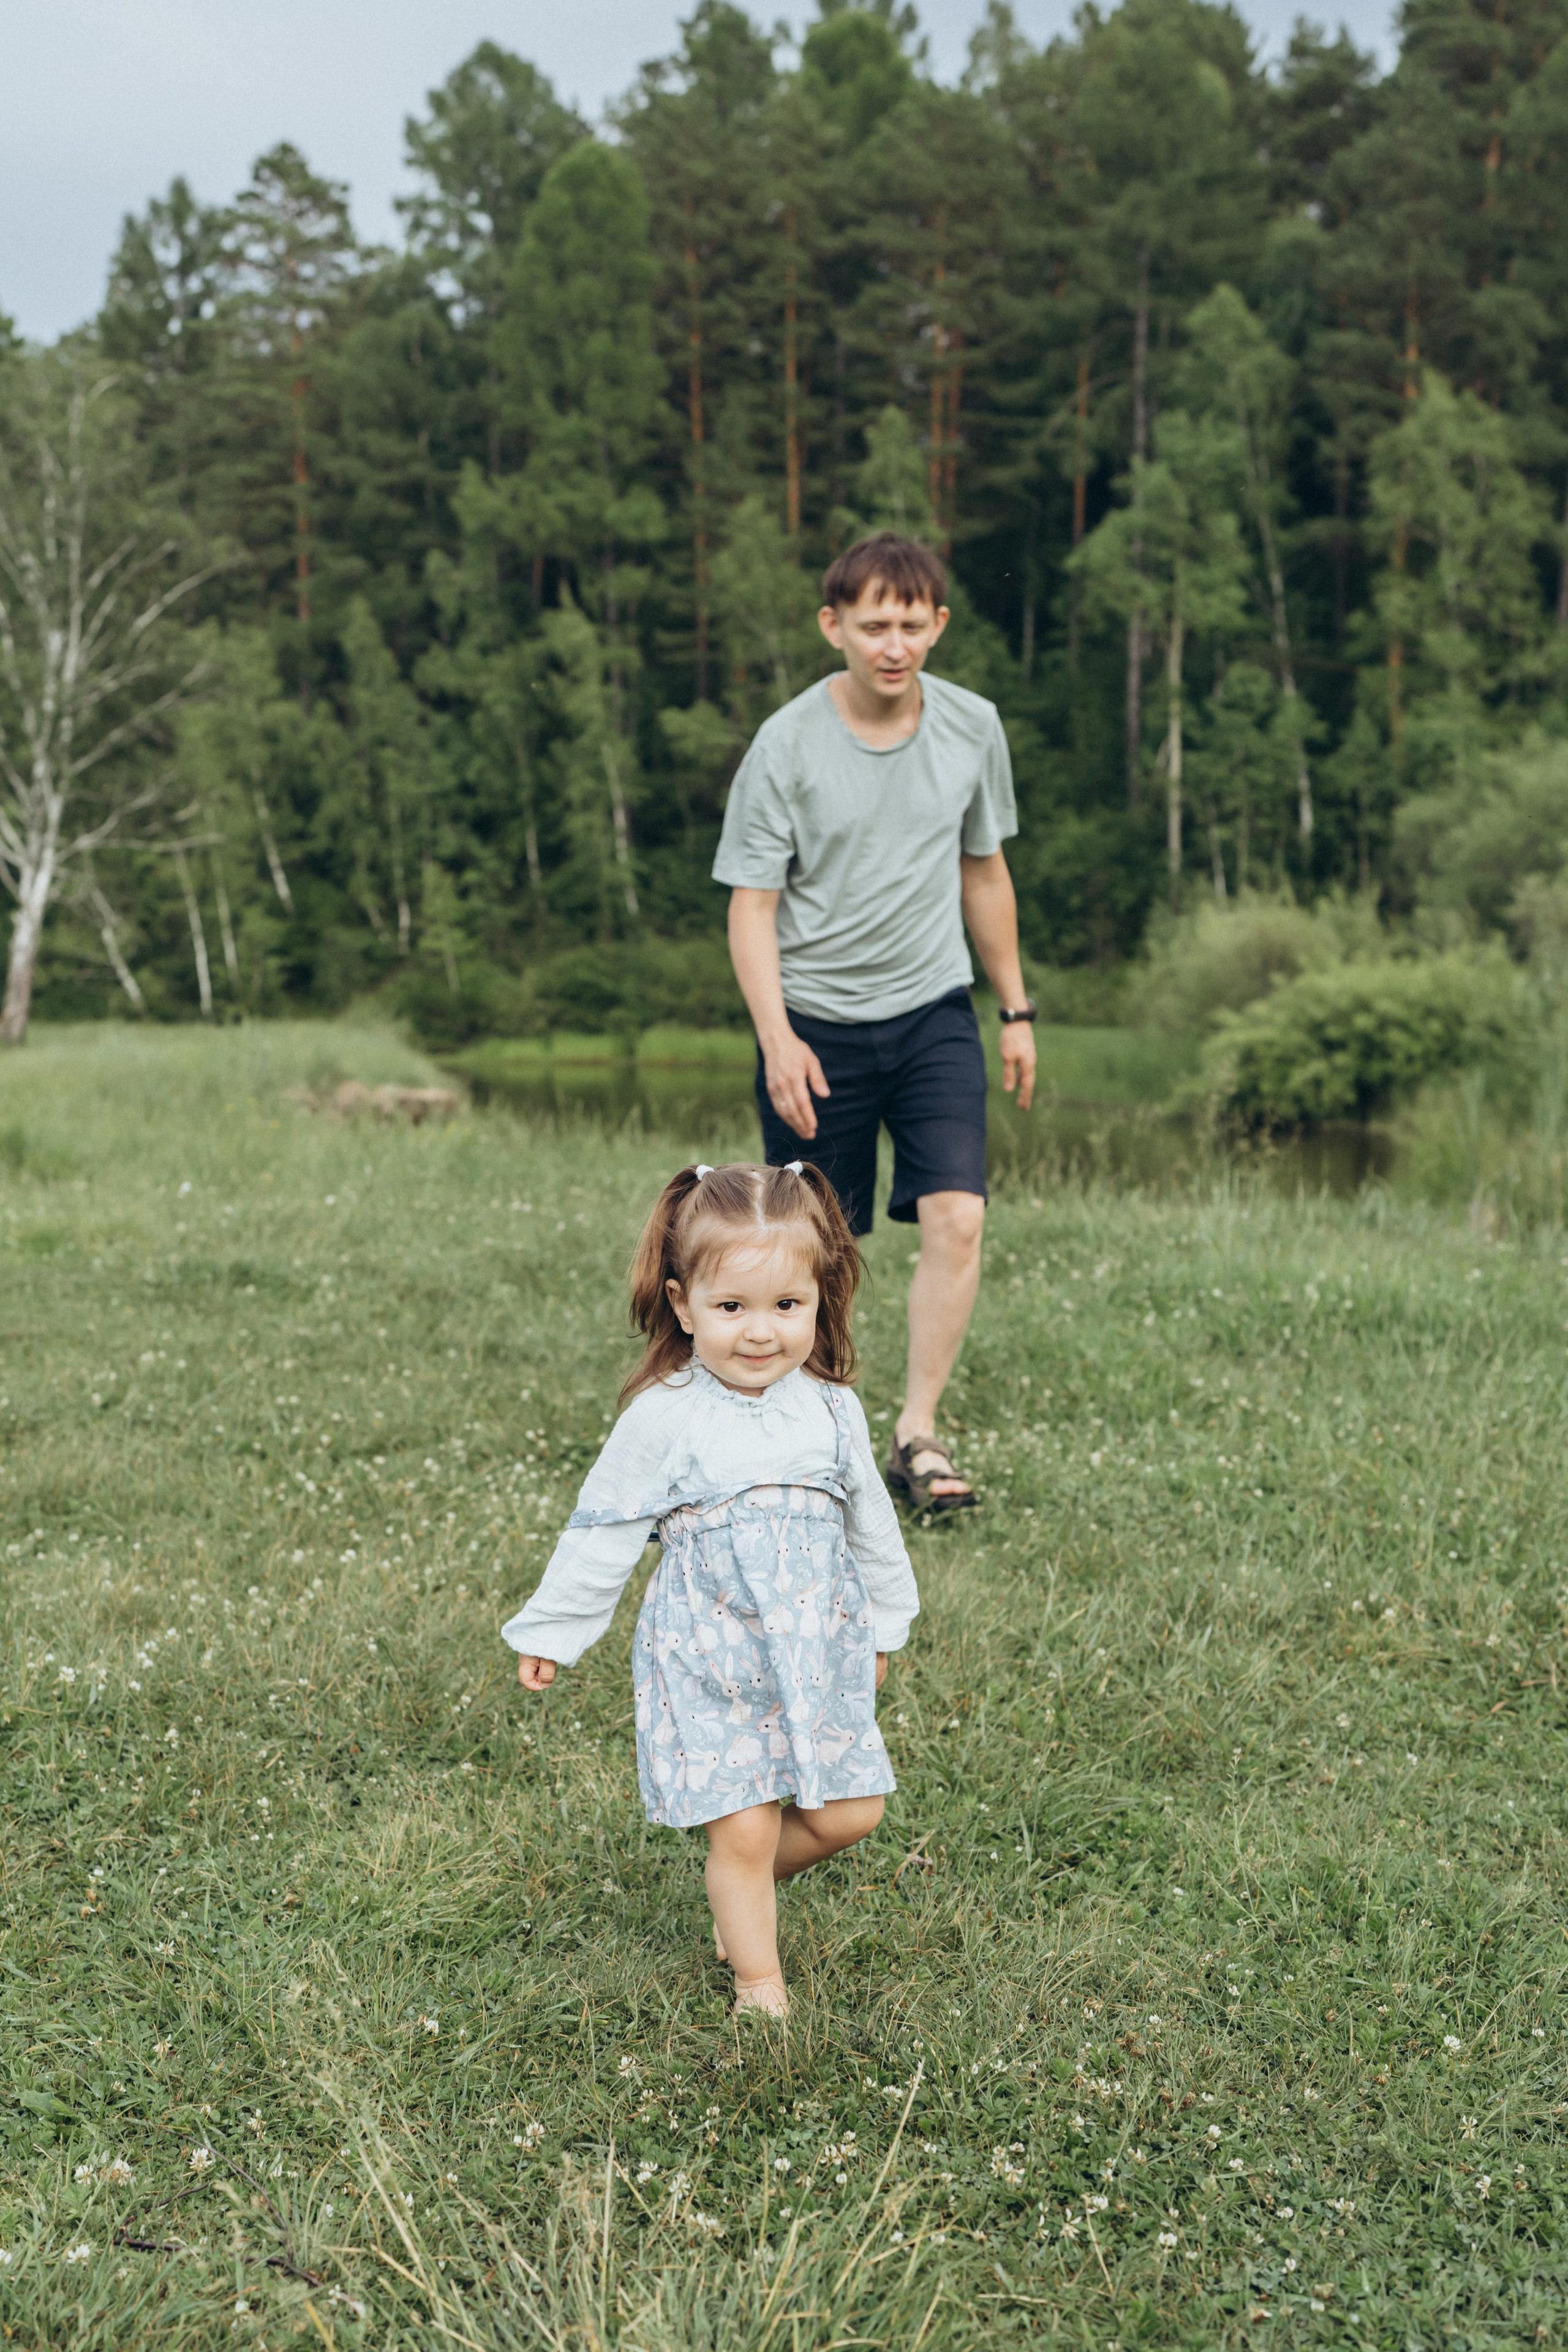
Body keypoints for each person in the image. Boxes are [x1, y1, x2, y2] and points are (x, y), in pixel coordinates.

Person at [503, 1159, 918, 2019]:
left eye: (785, 1307)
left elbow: (870, 1525)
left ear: (819, 1301)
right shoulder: (666, 1412)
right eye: (731, 1309)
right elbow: (605, 1526)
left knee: (853, 1811)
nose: (759, 1333)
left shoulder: (832, 1409)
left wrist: (882, 1628)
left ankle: (742, 1893)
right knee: (745, 1825)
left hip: (813, 1650)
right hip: (709, 1654)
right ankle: (758, 1983)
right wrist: (554, 1629)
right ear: (683, 1304)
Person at [715, 530, 1037, 1515]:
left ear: (937, 626)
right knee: (819, 1247)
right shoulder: (788, 742)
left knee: (958, 1216)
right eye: (872, 625)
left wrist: (1015, 1008)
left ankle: (918, 1436)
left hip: (934, 1010)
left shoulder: (974, 728)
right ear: (835, 627)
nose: (892, 645)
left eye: (911, 624)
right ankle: (819, 1434)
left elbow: (984, 871)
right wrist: (778, 1037)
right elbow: (752, 903)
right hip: (817, 1024)